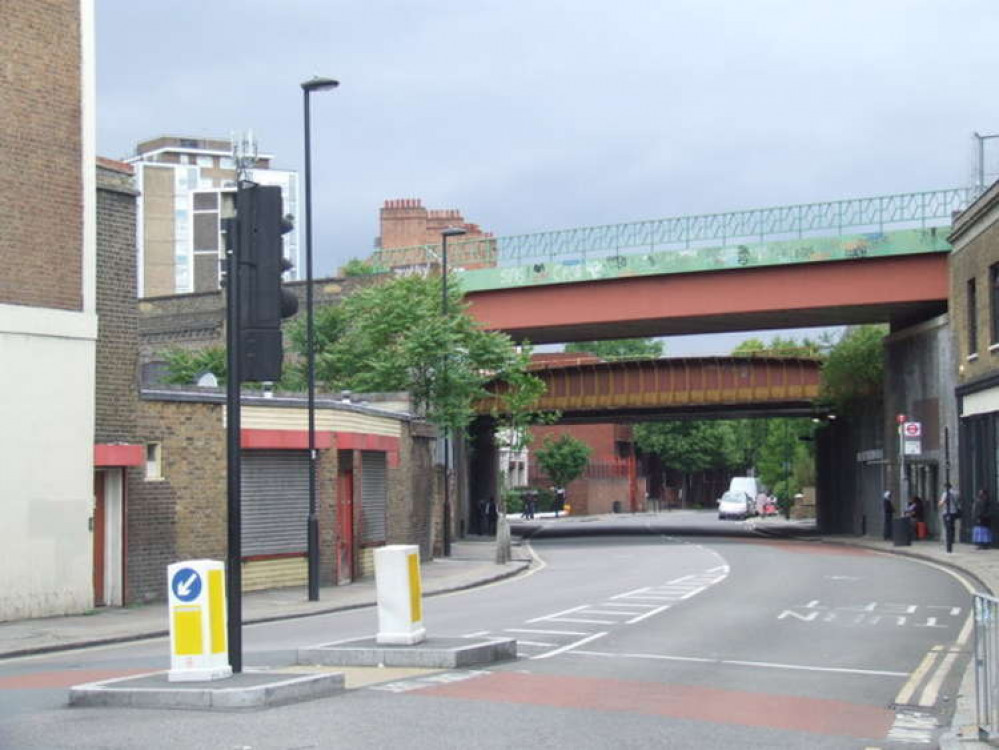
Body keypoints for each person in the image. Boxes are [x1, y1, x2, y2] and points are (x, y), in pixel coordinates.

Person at [938, 483, 959, 553]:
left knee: (947, 527)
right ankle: (952, 539)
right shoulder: (956, 493)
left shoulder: (945, 494)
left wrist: (939, 503)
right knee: (952, 526)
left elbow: (941, 503)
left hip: (946, 512)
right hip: (954, 512)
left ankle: (948, 540)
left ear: (945, 487)